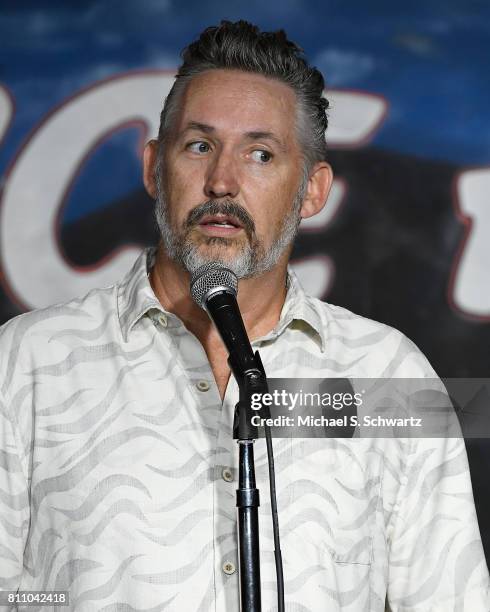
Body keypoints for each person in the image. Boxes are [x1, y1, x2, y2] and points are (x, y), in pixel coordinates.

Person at [0, 20, 488, 612]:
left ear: (312, 190)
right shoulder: (26, 362)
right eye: (199, 146)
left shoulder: (390, 374)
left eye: (261, 154)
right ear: (156, 168)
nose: (222, 182)